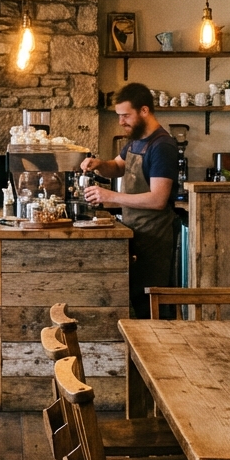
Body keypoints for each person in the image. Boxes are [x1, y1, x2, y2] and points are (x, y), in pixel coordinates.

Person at [79, 82, 180, 318]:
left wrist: (109, 196)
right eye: (119, 116)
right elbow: (117, 167)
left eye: (126, 116)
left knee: (151, 308)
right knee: (136, 300)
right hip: (136, 231)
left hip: (155, 237)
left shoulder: (162, 146)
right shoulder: (136, 140)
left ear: (144, 111)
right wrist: (99, 165)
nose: (121, 122)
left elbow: (158, 199)